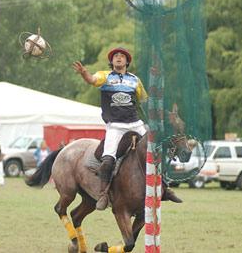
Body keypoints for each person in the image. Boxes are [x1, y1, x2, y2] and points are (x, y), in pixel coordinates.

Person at [72, 47, 182, 211]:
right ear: (112, 61)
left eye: (122, 56)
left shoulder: (135, 80)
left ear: (127, 62)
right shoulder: (105, 76)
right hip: (115, 126)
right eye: (115, 56)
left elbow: (146, 102)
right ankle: (103, 194)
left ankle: (165, 187)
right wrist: (84, 73)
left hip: (135, 124)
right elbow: (92, 80)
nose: (118, 58)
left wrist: (166, 114)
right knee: (108, 159)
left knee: (155, 151)